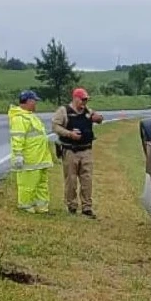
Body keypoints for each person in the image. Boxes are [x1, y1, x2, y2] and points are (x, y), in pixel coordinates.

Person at [52, 87, 104, 217]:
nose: (85, 102)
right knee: (71, 180)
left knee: (87, 179)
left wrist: (98, 118)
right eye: (83, 100)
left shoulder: (87, 111)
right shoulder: (64, 111)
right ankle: (72, 206)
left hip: (86, 149)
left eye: (86, 100)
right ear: (75, 98)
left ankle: (87, 207)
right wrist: (69, 134)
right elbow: (55, 126)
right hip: (70, 150)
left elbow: (98, 118)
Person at [8, 90, 53, 213]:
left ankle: (42, 207)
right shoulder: (19, 118)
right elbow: (17, 138)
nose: (35, 104)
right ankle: (26, 206)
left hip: (40, 158)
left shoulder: (30, 116)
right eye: (34, 101)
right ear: (28, 101)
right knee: (28, 185)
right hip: (29, 159)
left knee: (41, 185)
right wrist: (18, 156)